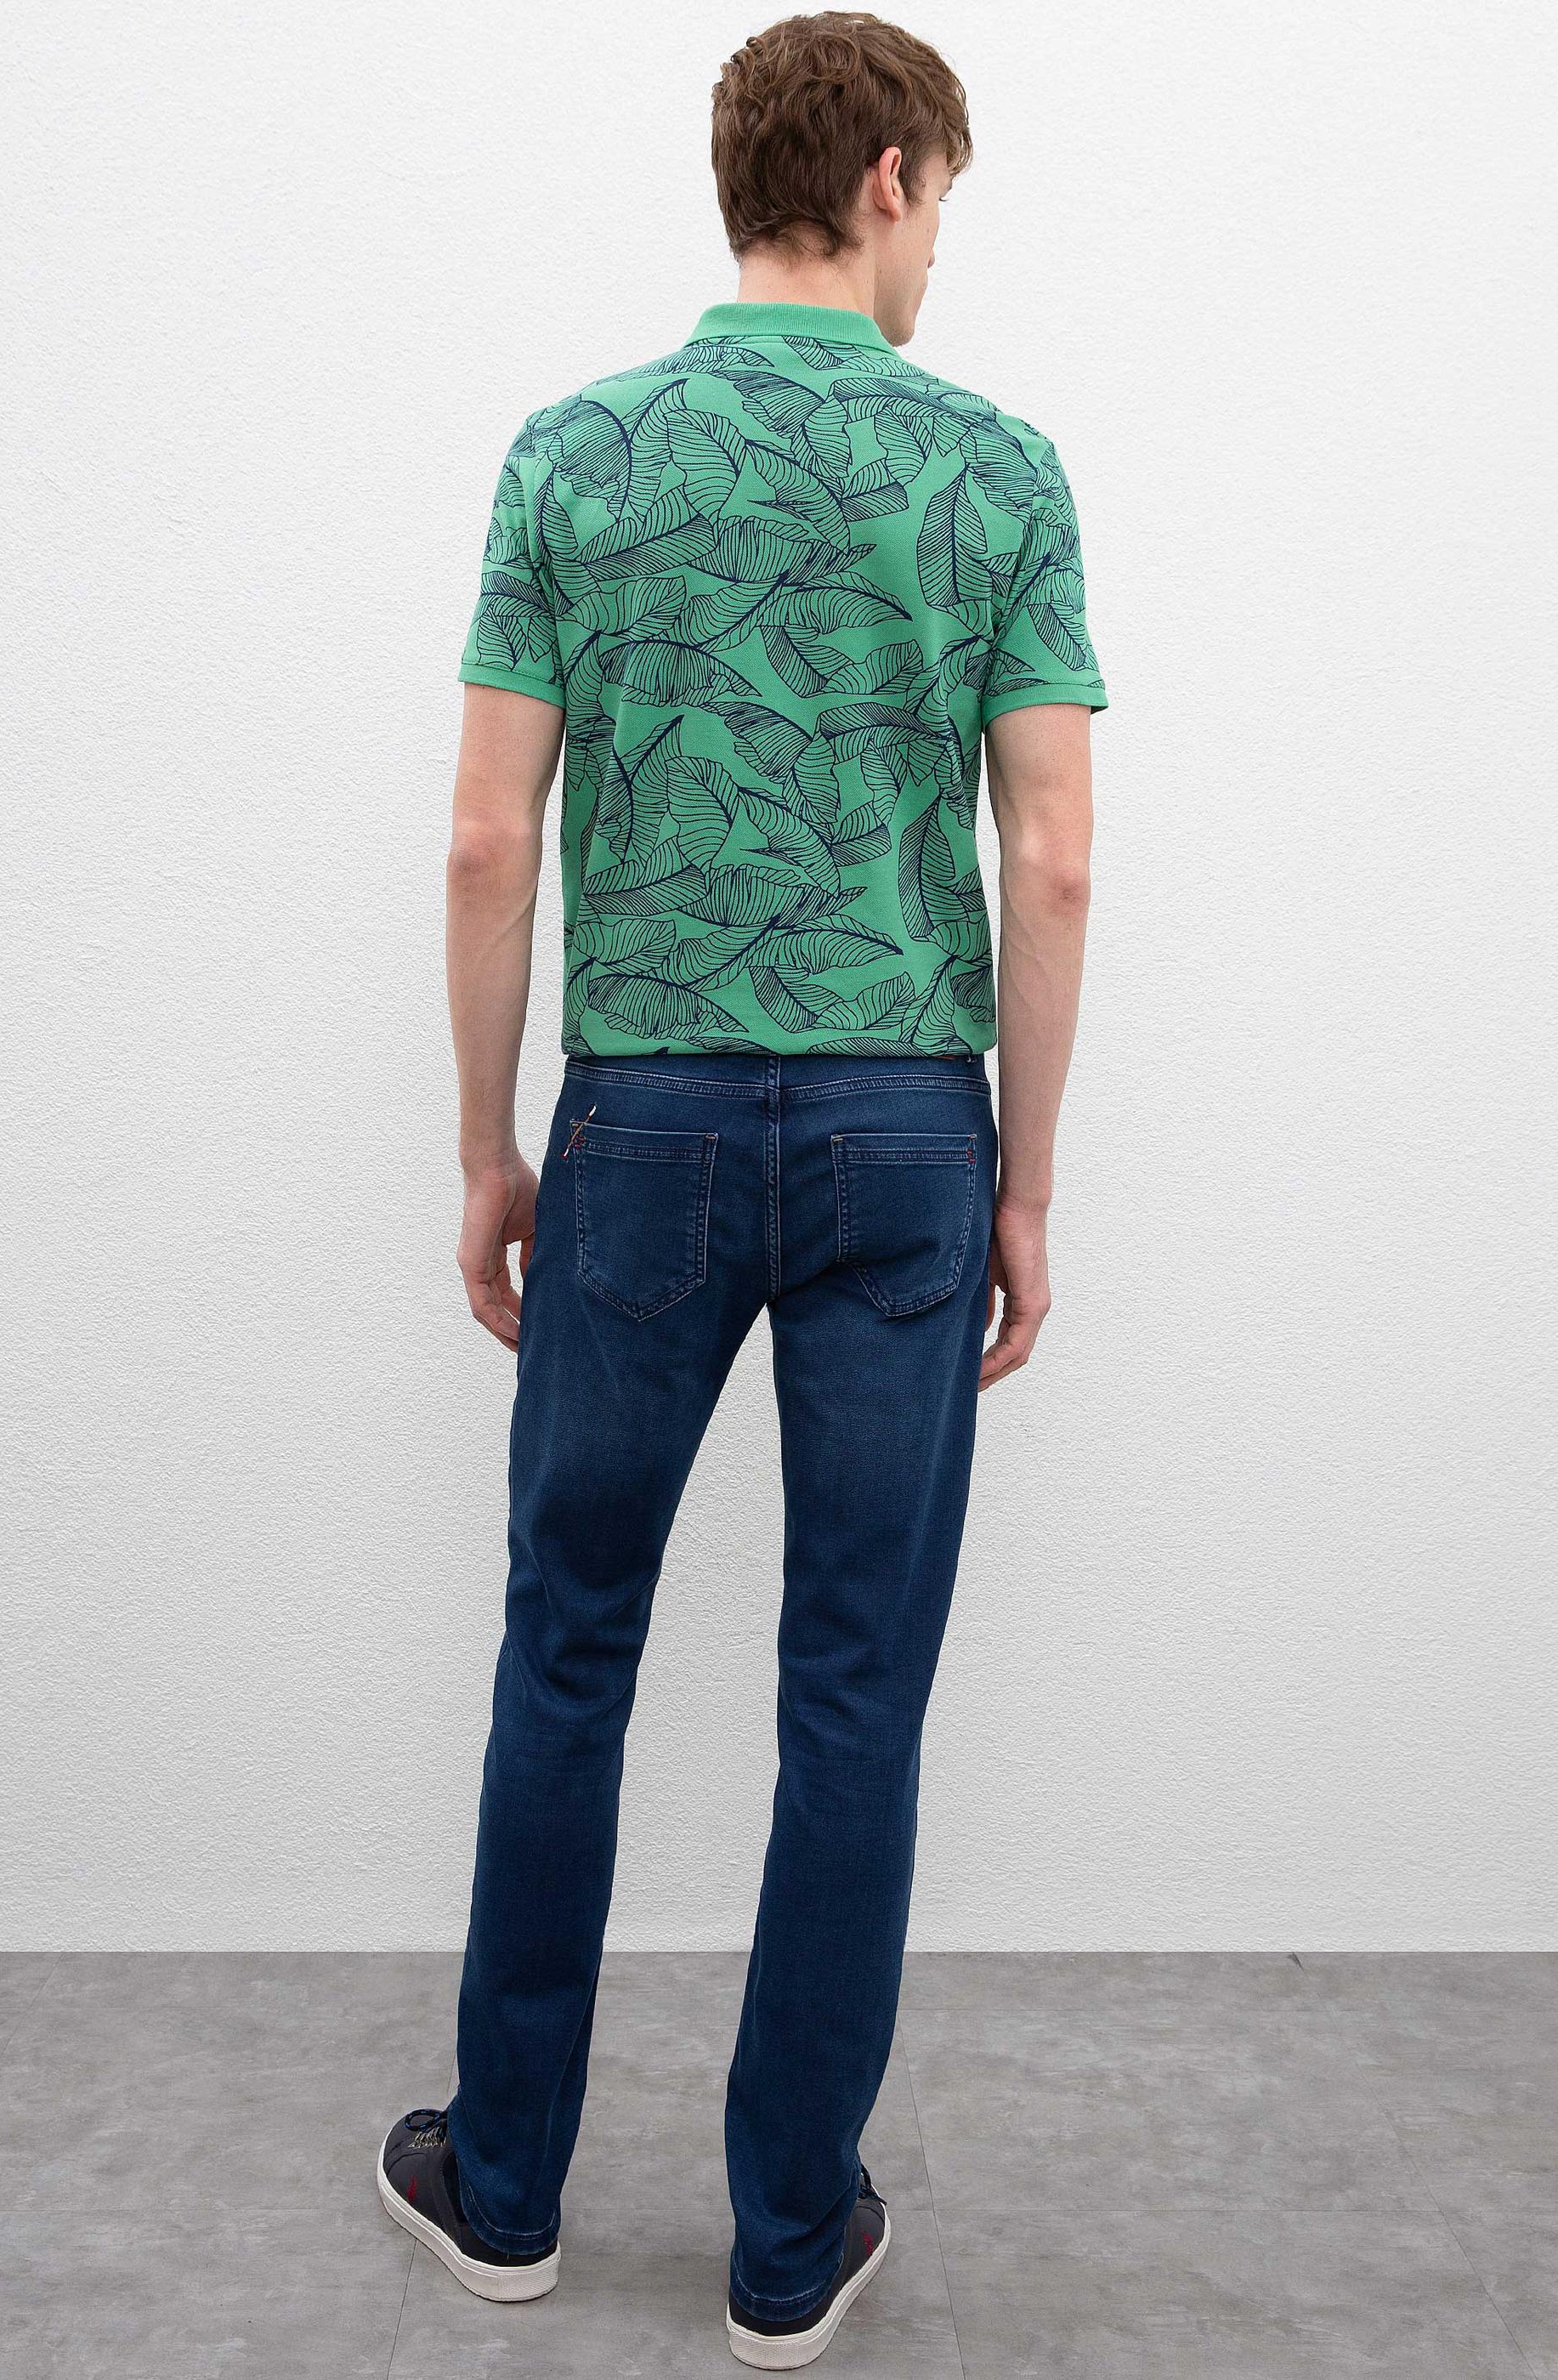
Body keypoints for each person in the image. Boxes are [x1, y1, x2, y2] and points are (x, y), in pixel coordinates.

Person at [377, 11, 1106, 2366]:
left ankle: (503, 2191)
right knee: (854, 1689)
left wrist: (487, 1143)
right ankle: (789, 2245)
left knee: (566, 1647)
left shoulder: (575, 453)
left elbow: (486, 838)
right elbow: (1053, 860)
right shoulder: (995, 469)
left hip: (646, 1132)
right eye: (944, 202)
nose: (939, 250)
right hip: (904, 1138)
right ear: (889, 177)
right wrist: (1024, 1182)